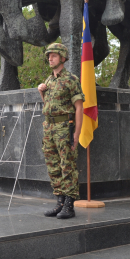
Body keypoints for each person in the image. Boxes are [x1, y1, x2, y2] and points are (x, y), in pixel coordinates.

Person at [37, 43, 84, 219]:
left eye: (54, 56)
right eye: (49, 55)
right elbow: (49, 106)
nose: (50, 58)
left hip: (65, 128)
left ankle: (70, 205)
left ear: (63, 58)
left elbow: (79, 108)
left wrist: (77, 134)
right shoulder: (49, 80)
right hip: (49, 128)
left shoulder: (71, 80)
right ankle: (60, 203)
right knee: (53, 166)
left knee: (67, 166)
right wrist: (42, 92)